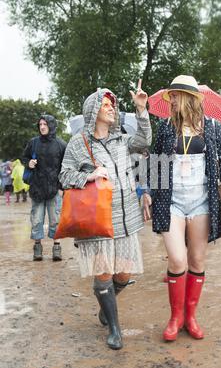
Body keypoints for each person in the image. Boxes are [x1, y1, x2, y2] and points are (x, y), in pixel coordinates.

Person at [143, 75, 221, 342]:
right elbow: (156, 162)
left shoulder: (210, 127)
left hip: (201, 202)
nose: (171, 100)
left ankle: (190, 317)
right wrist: (147, 192)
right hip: (172, 202)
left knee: (197, 260)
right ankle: (175, 318)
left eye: (175, 95)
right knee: (178, 259)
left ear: (188, 97)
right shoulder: (166, 127)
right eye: (170, 96)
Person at [59, 80, 152, 350]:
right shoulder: (78, 144)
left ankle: (105, 306)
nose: (112, 109)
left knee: (122, 274)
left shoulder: (122, 139)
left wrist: (141, 110)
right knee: (103, 273)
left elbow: (145, 140)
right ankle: (114, 327)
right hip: (97, 219)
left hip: (126, 218)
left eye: (113, 105)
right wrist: (89, 175)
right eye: (106, 105)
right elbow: (64, 176)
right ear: (93, 111)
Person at [22, 115, 67, 261]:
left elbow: (66, 166)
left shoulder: (61, 144)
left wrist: (62, 187)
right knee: (36, 219)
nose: (42, 127)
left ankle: (57, 247)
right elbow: (24, 157)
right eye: (40, 124)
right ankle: (37, 247)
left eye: (45, 124)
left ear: (52, 125)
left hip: (54, 189)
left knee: (55, 220)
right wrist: (28, 163)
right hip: (37, 188)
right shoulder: (33, 143)